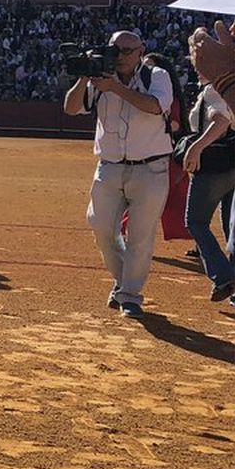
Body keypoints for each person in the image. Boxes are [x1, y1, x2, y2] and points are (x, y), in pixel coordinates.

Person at [63, 30, 173, 318]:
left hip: (151, 167)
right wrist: (85, 75)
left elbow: (155, 106)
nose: (121, 56)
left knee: (140, 235)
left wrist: (115, 88)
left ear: (141, 50)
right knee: (100, 228)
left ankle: (130, 296)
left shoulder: (156, 75)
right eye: (116, 50)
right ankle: (125, 282)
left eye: (127, 50)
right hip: (110, 166)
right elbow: (71, 108)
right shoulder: (98, 79)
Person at [178, 55, 235, 302]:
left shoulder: (214, 91)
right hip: (233, 163)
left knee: (196, 222)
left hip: (215, 167)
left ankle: (224, 277)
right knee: (231, 228)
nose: (196, 69)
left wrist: (196, 148)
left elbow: (221, 121)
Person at [146, 51, 193, 244]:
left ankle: (128, 232)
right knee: (177, 199)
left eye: (150, 67)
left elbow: (174, 125)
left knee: (148, 197)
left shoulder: (167, 97)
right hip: (163, 154)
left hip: (167, 156)